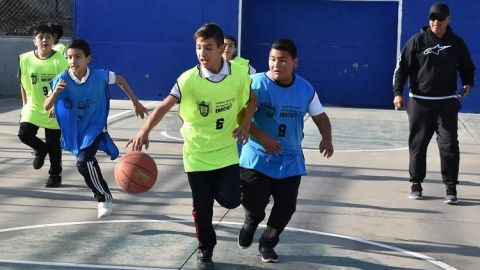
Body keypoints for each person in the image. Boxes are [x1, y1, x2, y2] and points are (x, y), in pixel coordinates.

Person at [127, 23, 256, 270]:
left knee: (230, 201)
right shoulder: (188, 79)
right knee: (202, 208)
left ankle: (238, 192)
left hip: (226, 151)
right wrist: (144, 130)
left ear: (222, 49)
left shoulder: (239, 74)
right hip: (196, 154)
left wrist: (247, 122)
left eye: (208, 48)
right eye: (198, 48)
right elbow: (165, 105)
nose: (202, 53)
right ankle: (205, 250)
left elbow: (252, 98)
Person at [238, 38, 334, 263]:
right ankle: (252, 220)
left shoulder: (305, 88)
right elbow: (242, 118)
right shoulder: (255, 83)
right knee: (255, 203)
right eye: (272, 59)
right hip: (257, 156)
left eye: (282, 60)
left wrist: (327, 138)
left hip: (289, 159)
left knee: (286, 207)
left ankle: (268, 242)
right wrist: (263, 138)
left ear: (295, 63)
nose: (276, 65)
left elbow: (320, 116)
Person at [45, 39, 148, 218]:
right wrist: (55, 95)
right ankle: (102, 193)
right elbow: (46, 106)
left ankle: (103, 197)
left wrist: (135, 102)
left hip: (94, 126)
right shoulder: (61, 79)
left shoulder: (100, 76)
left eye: (77, 57)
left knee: (84, 162)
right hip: (74, 130)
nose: (73, 61)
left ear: (88, 59)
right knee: (85, 164)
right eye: (69, 57)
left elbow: (120, 79)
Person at [392, 2, 475, 204]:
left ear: (448, 19)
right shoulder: (417, 41)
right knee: (418, 145)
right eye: (432, 18)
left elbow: (467, 67)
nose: (436, 22)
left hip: (446, 103)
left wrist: (468, 83)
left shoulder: (456, 43)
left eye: (440, 18)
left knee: (449, 145)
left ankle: (450, 186)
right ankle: (416, 183)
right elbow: (401, 68)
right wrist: (397, 93)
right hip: (420, 102)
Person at [17, 24, 68, 188]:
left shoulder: (60, 60)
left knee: (54, 143)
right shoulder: (25, 58)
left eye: (48, 37)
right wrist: (24, 106)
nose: (44, 40)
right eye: (40, 37)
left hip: (54, 105)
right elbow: (22, 84)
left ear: (53, 40)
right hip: (34, 104)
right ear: (34, 41)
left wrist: (57, 105)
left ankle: (55, 175)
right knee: (24, 134)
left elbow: (66, 85)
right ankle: (41, 149)